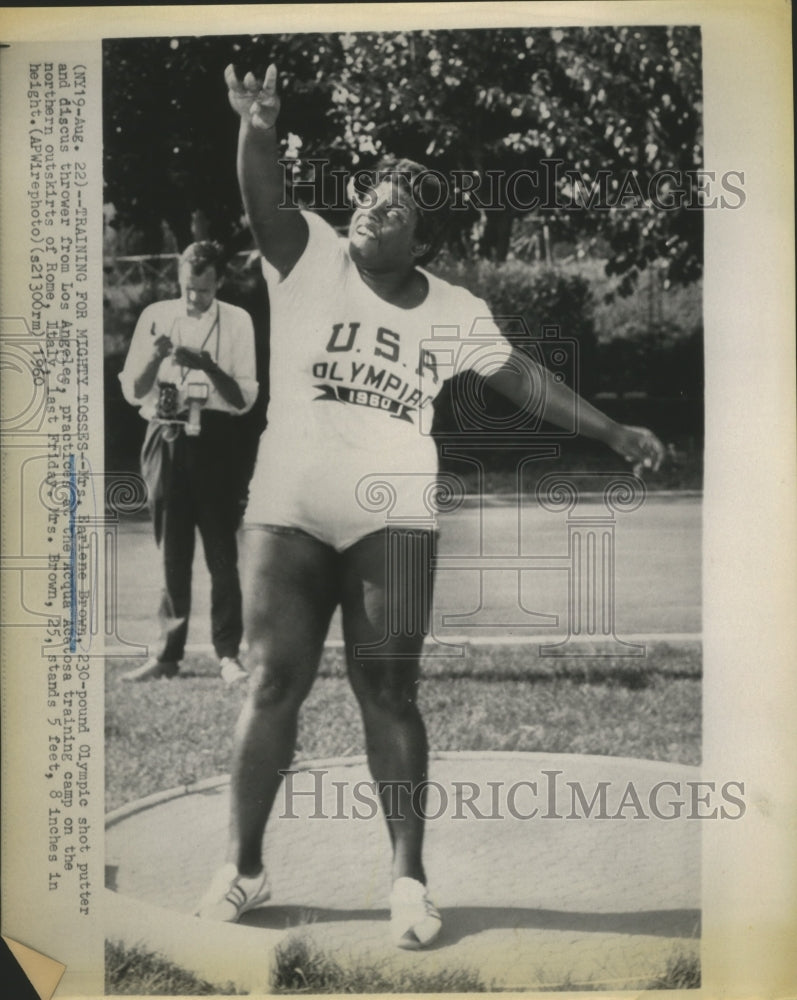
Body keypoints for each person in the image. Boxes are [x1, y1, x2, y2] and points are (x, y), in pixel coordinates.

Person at [196, 64, 665, 947]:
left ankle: (407, 881)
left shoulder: (453, 309)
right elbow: (261, 200)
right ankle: (243, 868)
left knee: (388, 687)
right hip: (287, 507)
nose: (376, 208)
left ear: (422, 240)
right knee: (272, 682)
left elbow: (523, 380)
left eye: (398, 209)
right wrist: (256, 125)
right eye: (373, 197)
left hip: (393, 512)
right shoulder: (307, 254)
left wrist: (609, 432)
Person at [119, 241, 259, 684]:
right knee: (172, 554)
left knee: (221, 554)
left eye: (202, 290)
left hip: (216, 441)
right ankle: (167, 654)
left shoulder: (238, 321)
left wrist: (207, 366)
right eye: (186, 289)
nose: (193, 298)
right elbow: (134, 391)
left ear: (218, 281)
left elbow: (242, 401)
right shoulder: (156, 315)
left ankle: (228, 654)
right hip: (165, 435)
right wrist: (159, 356)